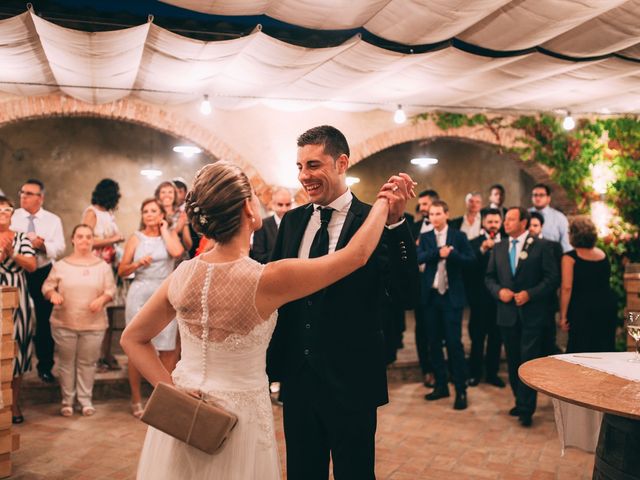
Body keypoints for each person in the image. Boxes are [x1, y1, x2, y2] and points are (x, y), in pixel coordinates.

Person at [120, 160, 414, 479]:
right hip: (238, 419)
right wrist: (384, 202)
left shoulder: (182, 275)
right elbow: (355, 256)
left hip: (183, 416)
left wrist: (168, 388)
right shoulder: (265, 280)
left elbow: (132, 339)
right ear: (249, 209)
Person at [267, 125, 418, 479]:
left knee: (356, 473)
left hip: (352, 380)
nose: (305, 176)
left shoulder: (374, 220)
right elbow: (276, 295)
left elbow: (406, 294)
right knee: (303, 473)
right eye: (300, 167)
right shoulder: (292, 222)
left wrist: (396, 225)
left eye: (314, 165)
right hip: (299, 378)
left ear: (341, 163)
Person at [485, 207, 558, 427]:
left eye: (510, 219)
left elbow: (552, 278)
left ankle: (526, 408)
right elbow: (489, 277)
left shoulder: (542, 246)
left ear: (524, 223)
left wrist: (530, 294)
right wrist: (499, 291)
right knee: (514, 359)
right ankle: (519, 399)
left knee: (528, 360)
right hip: (506, 314)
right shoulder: (498, 248)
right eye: (505, 219)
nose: (505, 223)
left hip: (532, 314)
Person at [118, 198, 184, 418]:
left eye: (153, 211)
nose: (149, 214)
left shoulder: (169, 235)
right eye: (145, 211)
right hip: (140, 292)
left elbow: (176, 253)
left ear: (161, 215)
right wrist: (137, 264)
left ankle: (163, 398)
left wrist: (165, 230)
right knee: (136, 346)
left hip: (164, 293)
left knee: (167, 348)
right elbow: (122, 270)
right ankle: (136, 399)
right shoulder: (136, 239)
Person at [42, 224, 116, 417]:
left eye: (88, 237)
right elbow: (47, 287)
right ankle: (67, 401)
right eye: (80, 236)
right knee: (66, 363)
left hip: (94, 323)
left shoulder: (102, 267)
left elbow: (111, 290)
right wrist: (52, 295)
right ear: (73, 240)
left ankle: (85, 400)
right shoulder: (61, 265)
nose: (84, 240)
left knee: (87, 363)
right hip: (64, 322)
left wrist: (102, 299)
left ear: (93, 241)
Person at [418, 200, 474, 410]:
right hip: (431, 297)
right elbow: (418, 258)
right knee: (433, 343)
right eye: (431, 214)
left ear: (447, 214)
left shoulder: (459, 236)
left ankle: (461, 389)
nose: (434, 217)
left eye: (438, 213)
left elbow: (471, 260)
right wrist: (438, 253)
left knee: (454, 344)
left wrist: (453, 254)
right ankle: (441, 385)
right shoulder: (425, 237)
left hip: (452, 297)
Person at [11, 179, 65, 384]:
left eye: (29, 193)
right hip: (17, 272)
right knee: (16, 318)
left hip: (43, 271)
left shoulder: (52, 220)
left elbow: (59, 248)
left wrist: (42, 246)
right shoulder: (12, 217)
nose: (23, 196)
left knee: (44, 320)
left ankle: (45, 366)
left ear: (40, 197)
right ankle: (15, 363)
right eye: (22, 192)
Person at [0, 195, 36, 424]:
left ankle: (13, 403)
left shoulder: (21, 237)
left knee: (18, 350)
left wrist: (12, 253)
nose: (4, 212)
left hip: (19, 296)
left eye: (7, 209)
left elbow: (31, 265)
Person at [81, 178, 124, 372]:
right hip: (96, 266)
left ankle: (105, 355)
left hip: (110, 267)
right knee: (97, 314)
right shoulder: (92, 212)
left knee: (109, 314)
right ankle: (93, 357)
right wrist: (113, 239)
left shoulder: (108, 214)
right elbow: (85, 239)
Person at [560, 216, 617, 353]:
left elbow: (567, 288)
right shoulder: (602, 254)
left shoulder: (569, 258)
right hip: (606, 307)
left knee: (580, 350)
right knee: (603, 348)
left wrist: (563, 316)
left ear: (573, 235)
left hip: (581, 309)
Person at [466, 209, 505, 388]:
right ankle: (474, 373)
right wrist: (482, 249)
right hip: (479, 299)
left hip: (499, 300)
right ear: (483, 223)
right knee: (477, 337)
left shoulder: (505, 243)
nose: (493, 225)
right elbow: (468, 267)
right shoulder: (473, 243)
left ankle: (492, 373)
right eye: (490, 222)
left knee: (496, 338)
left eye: (496, 222)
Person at [412, 189, 439, 387]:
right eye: (420, 205)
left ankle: (443, 370)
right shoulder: (413, 227)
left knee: (443, 331)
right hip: (420, 284)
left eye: (425, 204)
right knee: (422, 329)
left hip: (441, 283)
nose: (422, 208)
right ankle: (427, 369)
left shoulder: (448, 227)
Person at [529, 210, 563, 356]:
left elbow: (557, 275)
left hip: (547, 301)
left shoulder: (553, 246)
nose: (532, 228)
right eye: (529, 225)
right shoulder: (523, 246)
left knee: (548, 339)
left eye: (535, 225)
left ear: (541, 227)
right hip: (528, 301)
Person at [250, 187, 293, 264]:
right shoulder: (262, 225)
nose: (284, 209)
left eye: (288, 204)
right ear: (273, 205)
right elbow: (257, 257)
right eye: (280, 205)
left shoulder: (297, 224)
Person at [529, 183, 571, 253]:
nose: (537, 198)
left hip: (553, 257)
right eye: (535, 195)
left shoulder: (559, 218)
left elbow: (566, 244)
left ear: (548, 198)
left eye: (541, 195)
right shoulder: (525, 215)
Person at [155, 181, 192, 255]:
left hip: (179, 259)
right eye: (163, 192)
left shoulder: (181, 215)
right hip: (160, 257)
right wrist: (177, 230)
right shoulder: (154, 215)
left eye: (170, 192)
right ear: (158, 195)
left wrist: (184, 223)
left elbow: (188, 246)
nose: (167, 195)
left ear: (175, 195)